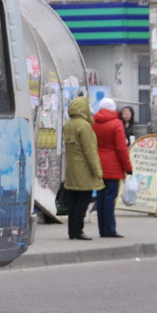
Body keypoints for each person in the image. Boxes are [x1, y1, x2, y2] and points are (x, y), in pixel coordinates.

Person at [62, 95, 104, 241]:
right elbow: (90, 151)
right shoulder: (84, 126)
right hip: (84, 169)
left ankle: (72, 231)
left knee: (73, 202)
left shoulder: (68, 124)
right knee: (83, 201)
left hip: (72, 169)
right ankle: (78, 230)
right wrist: (98, 171)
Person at [93, 98, 132, 238]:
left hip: (98, 163)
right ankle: (109, 229)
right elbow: (121, 148)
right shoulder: (116, 123)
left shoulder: (94, 122)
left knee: (100, 197)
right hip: (113, 165)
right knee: (110, 197)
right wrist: (128, 167)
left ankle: (102, 229)